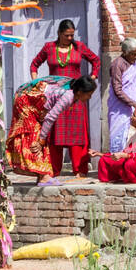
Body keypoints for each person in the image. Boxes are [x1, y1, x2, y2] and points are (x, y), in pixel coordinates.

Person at [30, 19, 100, 177]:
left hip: (76, 95)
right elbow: (34, 65)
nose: (70, 38)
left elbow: (95, 60)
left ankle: (80, 170)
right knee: (55, 133)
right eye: (67, 35)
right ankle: (54, 170)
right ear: (60, 34)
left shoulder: (79, 47)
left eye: (72, 35)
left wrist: (92, 77)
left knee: (77, 133)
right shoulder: (49, 47)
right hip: (56, 95)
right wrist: (36, 83)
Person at [5, 75, 98, 186]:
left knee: (40, 135)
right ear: (80, 92)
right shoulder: (68, 97)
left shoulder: (72, 90)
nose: (89, 98)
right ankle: (43, 176)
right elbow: (50, 118)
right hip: (24, 100)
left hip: (33, 101)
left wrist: (42, 138)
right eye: (89, 95)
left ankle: (42, 175)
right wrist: (41, 140)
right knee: (34, 135)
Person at [107, 37, 136, 155]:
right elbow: (117, 90)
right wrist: (133, 103)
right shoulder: (118, 64)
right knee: (118, 136)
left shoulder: (133, 63)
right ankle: (116, 164)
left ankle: (129, 166)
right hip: (119, 108)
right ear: (125, 53)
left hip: (132, 107)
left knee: (131, 136)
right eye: (133, 54)